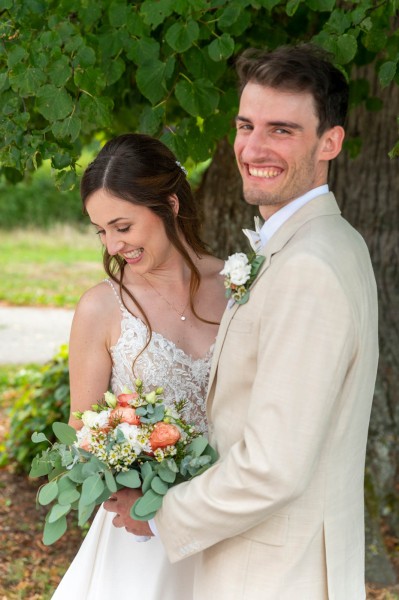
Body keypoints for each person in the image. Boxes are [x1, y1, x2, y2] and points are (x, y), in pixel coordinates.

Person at [106, 45, 379, 599]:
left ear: (330, 142)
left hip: (273, 576)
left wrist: (160, 514)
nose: (252, 148)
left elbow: (273, 466)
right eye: (245, 125)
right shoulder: (327, 242)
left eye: (281, 130)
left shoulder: (309, 267)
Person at [51, 133, 227, 599]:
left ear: (169, 205)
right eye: (101, 231)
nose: (111, 245)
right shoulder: (101, 309)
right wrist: (137, 499)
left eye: (122, 226)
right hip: (143, 537)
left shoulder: (239, 287)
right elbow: (82, 436)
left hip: (229, 522)